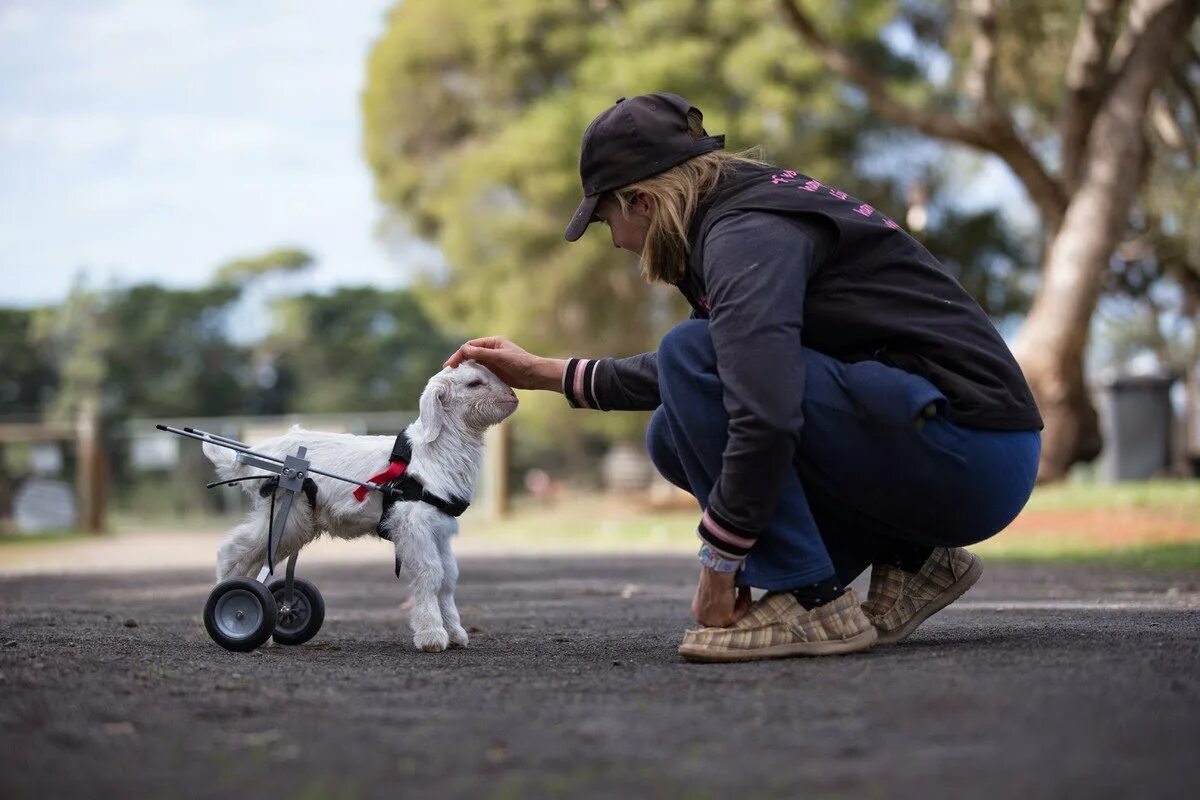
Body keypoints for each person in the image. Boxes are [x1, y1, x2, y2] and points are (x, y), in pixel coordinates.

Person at [445, 92, 1042, 663]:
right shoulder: (743, 215)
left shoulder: (745, 232)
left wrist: (720, 565)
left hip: (972, 453)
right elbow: (721, 370)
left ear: (640, 202)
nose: (618, 243)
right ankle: (914, 556)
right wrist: (549, 374)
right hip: (963, 447)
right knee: (673, 433)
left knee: (690, 353)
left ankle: (810, 601)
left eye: (605, 223)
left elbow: (761, 406)